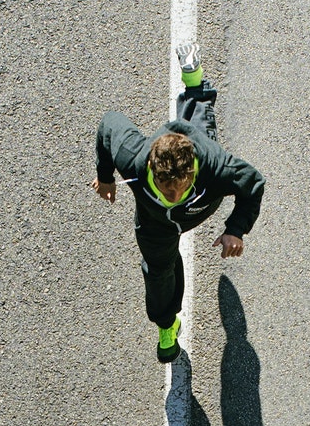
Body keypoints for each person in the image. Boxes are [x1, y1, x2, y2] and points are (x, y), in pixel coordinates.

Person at [91, 44, 266, 362]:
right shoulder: (132, 159)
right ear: (150, 170)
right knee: (158, 274)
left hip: (203, 198)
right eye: (165, 189)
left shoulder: (216, 167)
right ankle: (167, 326)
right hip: (156, 226)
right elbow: (109, 124)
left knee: (199, 115)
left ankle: (194, 79)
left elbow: (253, 183)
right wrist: (104, 175)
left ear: (193, 171)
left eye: (180, 189)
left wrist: (236, 229)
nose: (173, 196)